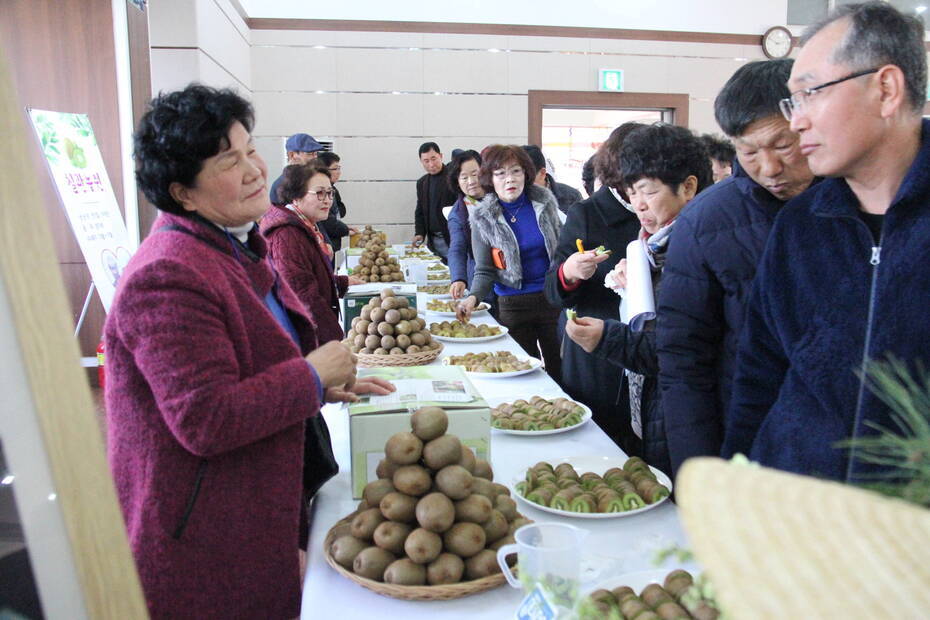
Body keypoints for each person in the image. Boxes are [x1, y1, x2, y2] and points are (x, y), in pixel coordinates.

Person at [106, 85, 392, 618]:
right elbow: (205, 417)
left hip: (251, 506)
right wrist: (307, 377)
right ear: (182, 193)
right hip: (202, 531)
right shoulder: (168, 274)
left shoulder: (234, 247)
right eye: (227, 160)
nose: (254, 168)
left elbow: (246, 365)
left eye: (250, 148)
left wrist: (319, 385)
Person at [723, 2, 930, 482]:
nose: (796, 122)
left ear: (886, 89)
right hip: (797, 511)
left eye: (810, 93)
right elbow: (760, 372)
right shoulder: (801, 224)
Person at [655, 59, 815, 478]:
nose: (769, 168)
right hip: (749, 444)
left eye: (783, 145)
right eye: (748, 151)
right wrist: (698, 474)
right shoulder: (706, 220)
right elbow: (683, 359)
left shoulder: (861, 200)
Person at [565, 123, 711, 475]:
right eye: (632, 193)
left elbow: (675, 349)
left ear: (689, 187)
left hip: (685, 415)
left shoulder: (697, 247)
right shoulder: (649, 246)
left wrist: (606, 337)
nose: (639, 205)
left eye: (648, 191)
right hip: (651, 407)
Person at [543, 123, 643, 453]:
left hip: (651, 345)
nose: (641, 197)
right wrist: (570, 272)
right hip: (597, 348)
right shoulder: (587, 213)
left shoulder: (673, 210)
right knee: (598, 444)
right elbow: (553, 290)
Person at [456, 145, 563, 382]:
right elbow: (484, 269)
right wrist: (473, 297)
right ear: (490, 179)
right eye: (500, 173)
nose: (509, 179)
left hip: (552, 299)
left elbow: (561, 251)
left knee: (561, 370)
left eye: (516, 171)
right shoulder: (482, 217)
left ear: (526, 173)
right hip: (512, 305)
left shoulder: (544, 205)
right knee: (524, 373)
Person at [261, 160, 363, 344]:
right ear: (296, 196)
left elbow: (308, 276)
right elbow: (303, 295)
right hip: (304, 338)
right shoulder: (287, 235)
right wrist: (335, 339)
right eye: (319, 193)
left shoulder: (306, 226)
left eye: (330, 193)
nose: (327, 200)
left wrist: (341, 283)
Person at [445, 149, 485, 300]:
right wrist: (458, 278)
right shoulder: (458, 213)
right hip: (479, 276)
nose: (471, 181)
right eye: (464, 177)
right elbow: (457, 248)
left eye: (475, 174)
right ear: (457, 182)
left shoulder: (501, 198)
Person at [412, 142, 458, 259]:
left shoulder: (454, 178)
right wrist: (419, 233)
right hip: (432, 241)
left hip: (452, 238)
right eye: (426, 161)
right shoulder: (422, 183)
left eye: (434, 159)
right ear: (421, 162)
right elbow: (420, 211)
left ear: (441, 156)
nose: (431, 164)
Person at [522, 144, 583, 214]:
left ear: (542, 173)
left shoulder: (571, 197)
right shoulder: (511, 198)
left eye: (527, 177)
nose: (520, 182)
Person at [315, 151, 355, 252]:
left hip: (332, 245)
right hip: (325, 244)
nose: (339, 172)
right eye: (335, 168)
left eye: (339, 168)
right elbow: (327, 221)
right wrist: (345, 230)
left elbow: (340, 211)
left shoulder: (333, 189)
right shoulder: (318, 192)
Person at [269, 132, 324, 206]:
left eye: (316, 153)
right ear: (292, 155)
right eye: (310, 153)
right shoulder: (281, 185)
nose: (315, 157)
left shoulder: (313, 178)